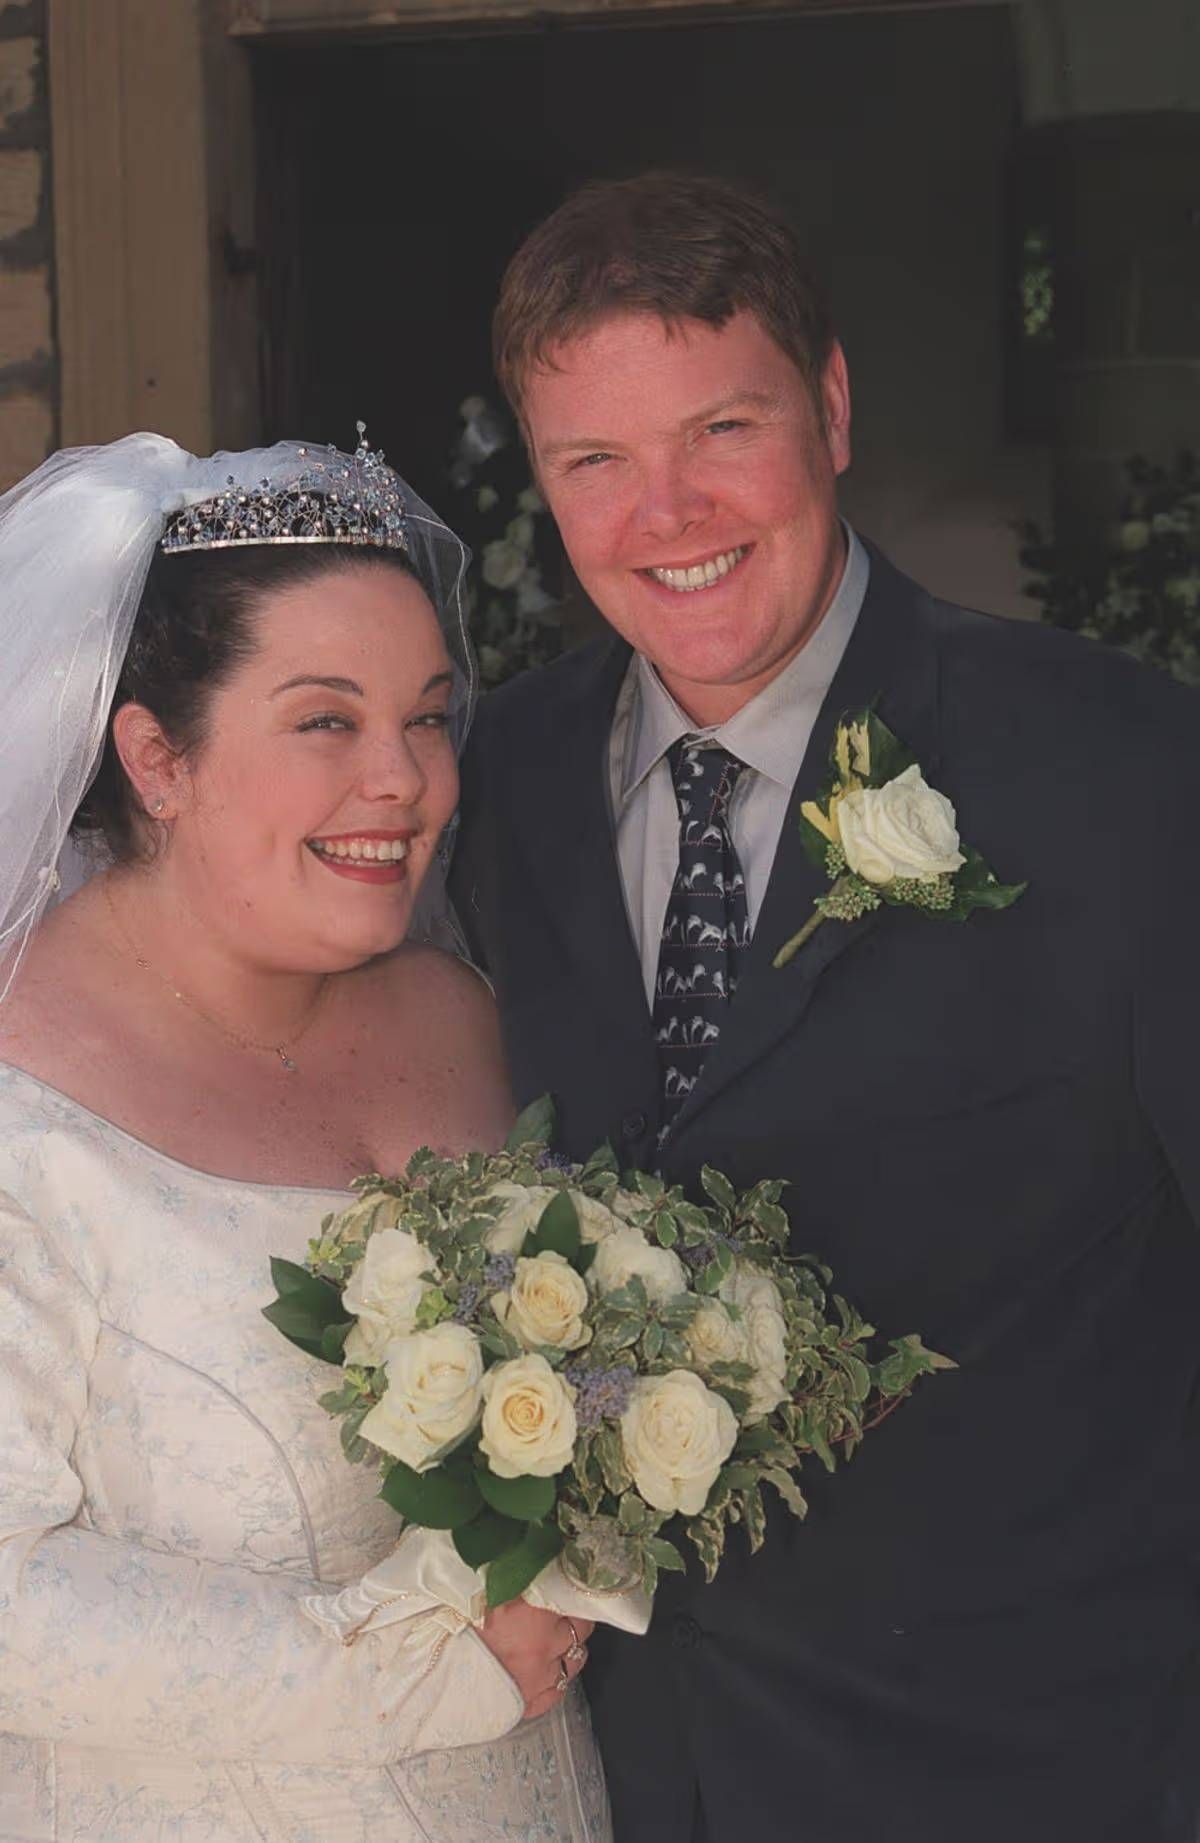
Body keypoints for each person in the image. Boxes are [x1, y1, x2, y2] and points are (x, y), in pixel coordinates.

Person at [450, 172, 1200, 1843]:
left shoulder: (1125, 767)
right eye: (595, 461)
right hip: (625, 1774)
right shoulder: (492, 791)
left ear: (834, 407)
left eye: (722, 428)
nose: (667, 510)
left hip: (1041, 1773)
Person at [0, 430, 608, 1842]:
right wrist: (422, 1677)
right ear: (154, 756)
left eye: (429, 716)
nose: (403, 780)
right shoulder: (22, 1089)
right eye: (327, 721)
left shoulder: (463, 1014)